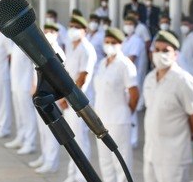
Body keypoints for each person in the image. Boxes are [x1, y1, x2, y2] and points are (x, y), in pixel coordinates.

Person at [144, 30, 193, 182]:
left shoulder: (184, 81)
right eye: (157, 50)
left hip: (174, 156)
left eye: (165, 51)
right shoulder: (150, 79)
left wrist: (185, 131)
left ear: (175, 55)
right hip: (151, 152)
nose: (160, 54)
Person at [94, 27, 139, 182]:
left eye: (114, 42)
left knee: (121, 161)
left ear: (121, 44)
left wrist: (127, 112)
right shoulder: (102, 63)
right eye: (107, 42)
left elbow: (134, 93)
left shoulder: (125, 64)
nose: (110, 45)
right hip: (101, 119)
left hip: (119, 120)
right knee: (105, 161)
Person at [62, 15, 97, 182]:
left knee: (81, 141)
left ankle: (83, 177)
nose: (72, 29)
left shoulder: (86, 49)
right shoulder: (72, 46)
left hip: (78, 101)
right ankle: (72, 175)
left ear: (85, 30)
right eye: (71, 26)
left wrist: (68, 98)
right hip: (69, 100)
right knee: (72, 140)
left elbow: (82, 77)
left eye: (76, 26)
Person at [29, 22, 63, 174]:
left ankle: (51, 161)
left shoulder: (57, 51)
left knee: (51, 131)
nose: (47, 33)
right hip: (40, 94)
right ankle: (44, 157)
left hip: (51, 97)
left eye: (51, 31)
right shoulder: (41, 49)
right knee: (42, 129)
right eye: (46, 30)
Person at [5, 41, 38, 155]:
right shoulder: (15, 43)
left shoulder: (27, 43)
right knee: (19, 113)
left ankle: (30, 143)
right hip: (16, 84)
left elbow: (35, 65)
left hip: (26, 85)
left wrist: (34, 84)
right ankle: (21, 137)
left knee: (27, 114)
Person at [121, 15, 148, 148]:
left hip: (132, 77)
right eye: (126, 23)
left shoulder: (136, 40)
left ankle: (133, 139)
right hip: (124, 77)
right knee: (125, 107)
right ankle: (127, 136)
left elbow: (131, 58)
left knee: (133, 108)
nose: (127, 26)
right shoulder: (125, 40)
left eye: (130, 23)